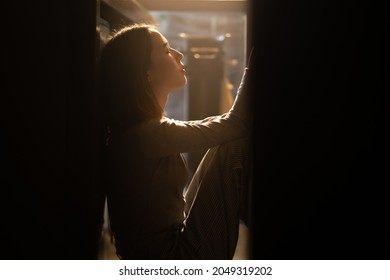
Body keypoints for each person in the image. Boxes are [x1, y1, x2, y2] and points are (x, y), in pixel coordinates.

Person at [99, 23, 253, 260]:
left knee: (223, 145)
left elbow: (224, 126)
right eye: (166, 50)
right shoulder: (146, 135)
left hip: (170, 248)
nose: (179, 54)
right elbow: (236, 123)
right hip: (172, 260)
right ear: (145, 73)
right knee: (232, 151)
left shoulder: (137, 133)